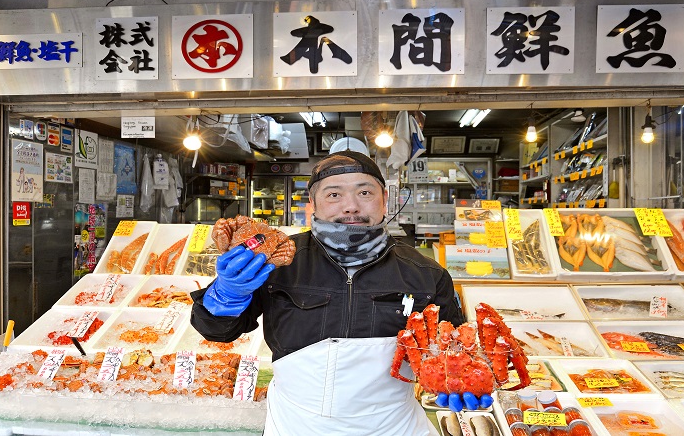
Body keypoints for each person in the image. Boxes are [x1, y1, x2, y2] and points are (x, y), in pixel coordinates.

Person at [190, 150, 490, 435]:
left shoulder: (427, 274)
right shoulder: (278, 260)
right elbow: (218, 332)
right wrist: (226, 293)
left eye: (365, 193)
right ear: (313, 203)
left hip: (393, 425)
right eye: (334, 194)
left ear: (385, 200)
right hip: (297, 424)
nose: (351, 206)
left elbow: (454, 348)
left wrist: (460, 380)